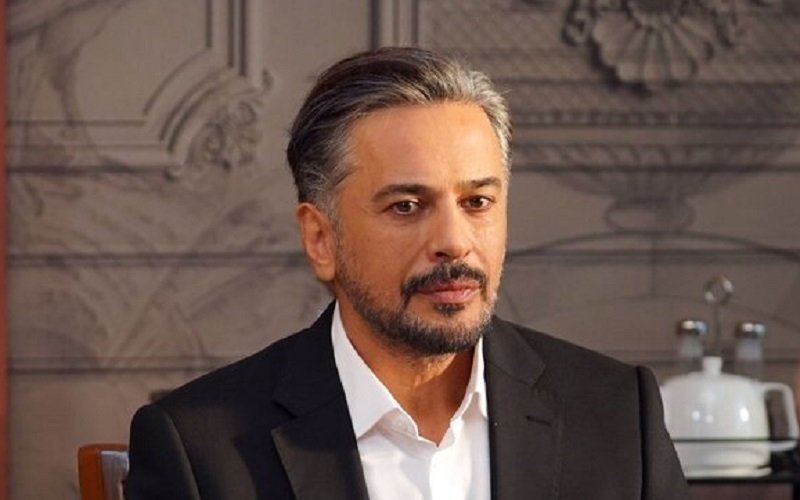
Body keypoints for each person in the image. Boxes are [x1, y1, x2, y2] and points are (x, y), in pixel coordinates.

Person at [124, 47, 689, 500]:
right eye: (407, 207)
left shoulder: (617, 414)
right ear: (321, 239)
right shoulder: (200, 449)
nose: (454, 242)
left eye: (477, 202)